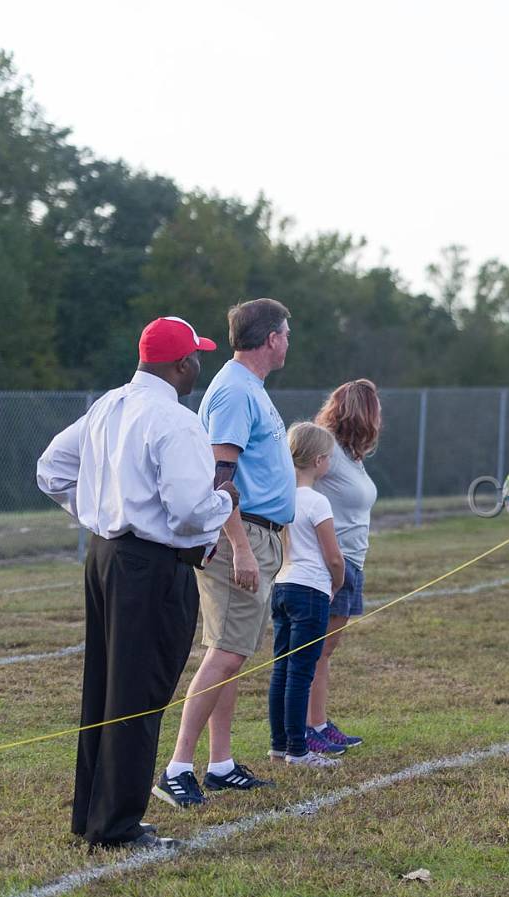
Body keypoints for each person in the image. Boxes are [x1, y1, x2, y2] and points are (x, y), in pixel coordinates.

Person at [36, 316, 237, 850]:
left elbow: (50, 469)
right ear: (181, 364)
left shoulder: (107, 405)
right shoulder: (174, 420)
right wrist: (225, 501)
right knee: (139, 693)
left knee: (104, 688)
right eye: (195, 357)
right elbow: (191, 510)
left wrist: (102, 511)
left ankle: (94, 814)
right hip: (149, 566)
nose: (199, 365)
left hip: (105, 557)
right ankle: (118, 825)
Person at [157, 298, 295, 808]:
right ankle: (176, 768)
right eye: (286, 332)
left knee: (230, 654)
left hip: (258, 534)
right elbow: (221, 478)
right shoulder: (236, 391)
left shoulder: (247, 387)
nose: (289, 341)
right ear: (271, 338)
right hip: (243, 536)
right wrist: (239, 545)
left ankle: (219, 764)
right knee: (225, 654)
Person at [307, 379, 381, 754]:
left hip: (353, 562)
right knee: (315, 650)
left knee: (326, 651)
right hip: (331, 562)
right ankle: (306, 728)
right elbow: (299, 488)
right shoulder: (327, 449)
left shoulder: (351, 456)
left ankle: (318, 723)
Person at [268, 423, 346, 768]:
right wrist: (338, 582)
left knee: (281, 668)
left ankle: (279, 744)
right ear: (318, 461)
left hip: (281, 586)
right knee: (301, 671)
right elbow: (333, 556)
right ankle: (298, 751)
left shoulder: (280, 496)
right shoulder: (317, 501)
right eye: (328, 457)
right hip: (311, 590)